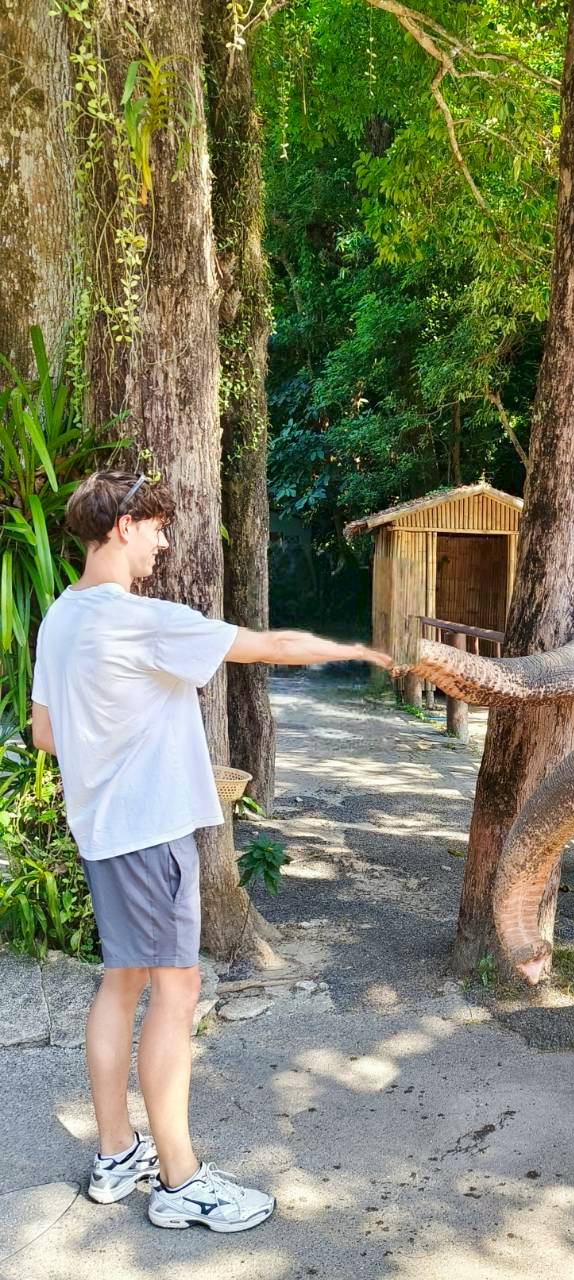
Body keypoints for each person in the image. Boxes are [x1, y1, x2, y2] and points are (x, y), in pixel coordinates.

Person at [29, 470, 392, 1233]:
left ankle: (115, 1154)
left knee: (121, 987)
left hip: (102, 833)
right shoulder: (136, 619)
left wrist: (117, 737)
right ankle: (180, 1181)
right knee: (177, 992)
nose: (163, 543)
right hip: (149, 836)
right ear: (123, 527)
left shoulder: (61, 618)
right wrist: (359, 648)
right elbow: (265, 647)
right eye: (156, 528)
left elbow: (46, 733)